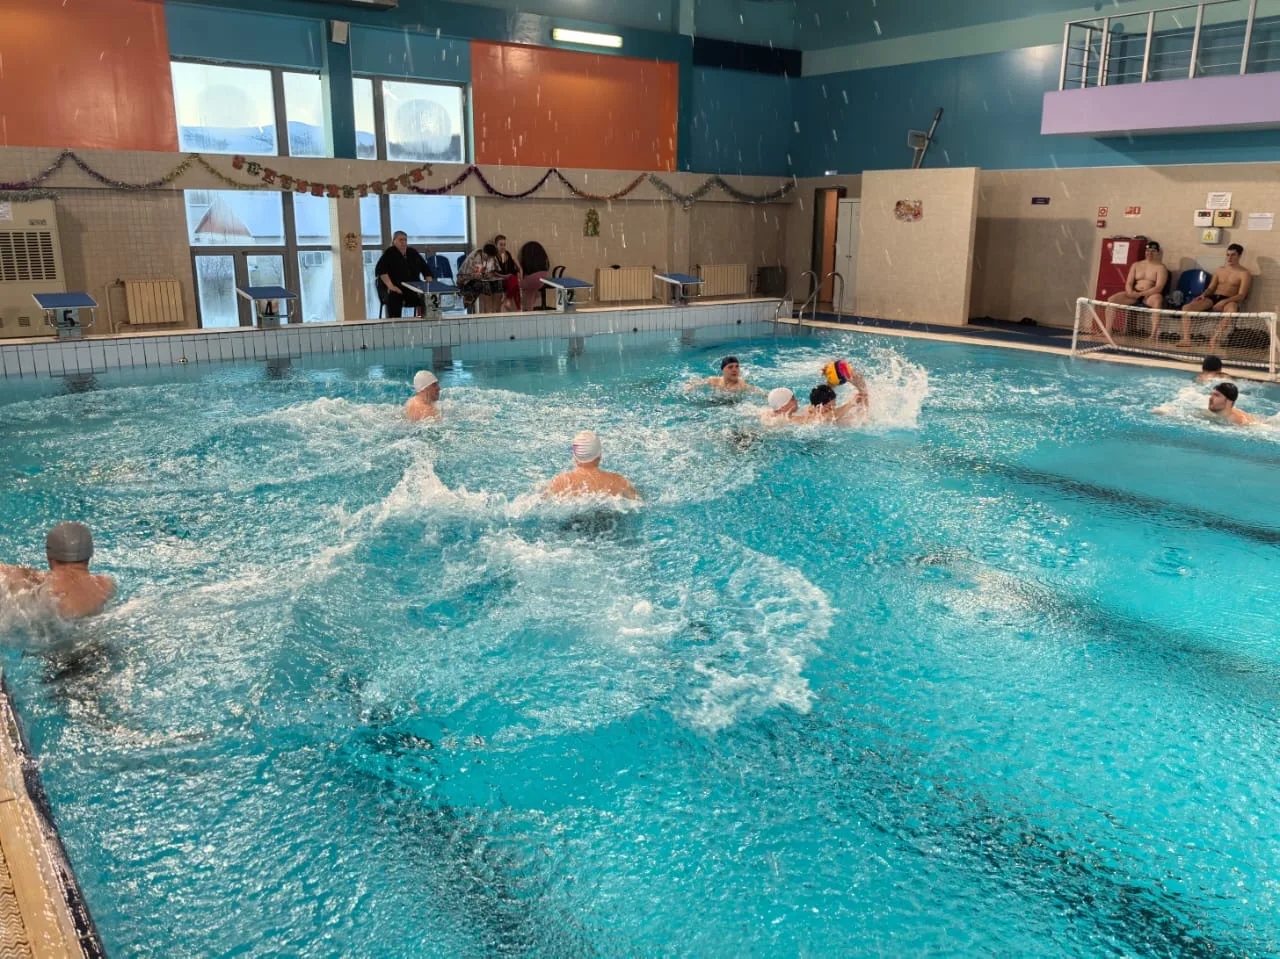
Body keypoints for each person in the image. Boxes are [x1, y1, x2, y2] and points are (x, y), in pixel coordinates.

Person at [0, 523, 115, 619]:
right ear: (90, 555)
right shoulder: (107, 585)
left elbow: (17, 573)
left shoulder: (47, 589)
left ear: (49, 557)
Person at [1177, 244, 1252, 349]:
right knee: (1186, 308)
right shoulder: (1219, 270)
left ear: (1240, 255)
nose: (1229, 258)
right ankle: (1186, 339)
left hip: (1230, 299)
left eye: (1233, 255)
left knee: (1232, 310)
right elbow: (1211, 288)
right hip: (1214, 297)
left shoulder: (1244, 273)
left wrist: (1225, 301)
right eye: (1228, 255)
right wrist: (1203, 295)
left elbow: (1241, 295)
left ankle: (1214, 339)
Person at [545, 431, 639, 500]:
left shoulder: (559, 482)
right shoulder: (618, 481)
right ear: (599, 455)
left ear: (575, 457)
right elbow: (639, 502)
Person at [1104, 241, 1168, 340]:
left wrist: (1143, 293)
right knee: (1111, 299)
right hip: (1134, 294)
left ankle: (1153, 334)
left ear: (1157, 253)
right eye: (1147, 251)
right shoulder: (1136, 265)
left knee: (1158, 300)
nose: (1149, 253)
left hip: (1149, 296)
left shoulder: (1161, 268)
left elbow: (1159, 287)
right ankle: (1108, 330)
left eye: (1153, 251)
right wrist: (1130, 292)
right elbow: (1129, 283)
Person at [375, 231, 433, 318]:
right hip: (395, 288)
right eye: (400, 240)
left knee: (428, 296)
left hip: (412, 288)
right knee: (394, 295)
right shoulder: (390, 253)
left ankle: (428, 319)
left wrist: (429, 285)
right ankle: (395, 322)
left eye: (405, 240)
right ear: (394, 241)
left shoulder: (412, 252)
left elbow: (426, 269)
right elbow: (381, 271)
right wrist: (391, 286)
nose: (403, 242)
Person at [458, 244, 505, 314]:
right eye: (487, 257)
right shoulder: (473, 258)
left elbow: (495, 271)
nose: (488, 259)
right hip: (467, 282)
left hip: (483, 279)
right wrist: (474, 276)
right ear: (483, 252)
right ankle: (485, 312)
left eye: (490, 258)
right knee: (484, 285)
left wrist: (490, 274)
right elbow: (462, 277)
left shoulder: (492, 257)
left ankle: (497, 311)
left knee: (498, 283)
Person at [686, 357, 764, 394]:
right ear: (722, 370)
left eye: (737, 366)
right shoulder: (714, 380)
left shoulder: (741, 384)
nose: (734, 370)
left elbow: (756, 390)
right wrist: (690, 385)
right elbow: (698, 382)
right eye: (730, 367)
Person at [494, 234, 522, 312]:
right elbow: (494, 272)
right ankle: (510, 302)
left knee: (515, 282)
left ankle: (510, 301)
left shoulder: (508, 254)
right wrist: (505, 276)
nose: (503, 247)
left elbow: (515, 267)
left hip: (510, 278)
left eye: (504, 244)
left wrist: (520, 271)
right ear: (496, 245)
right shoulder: (494, 257)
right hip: (500, 278)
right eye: (501, 245)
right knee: (513, 280)